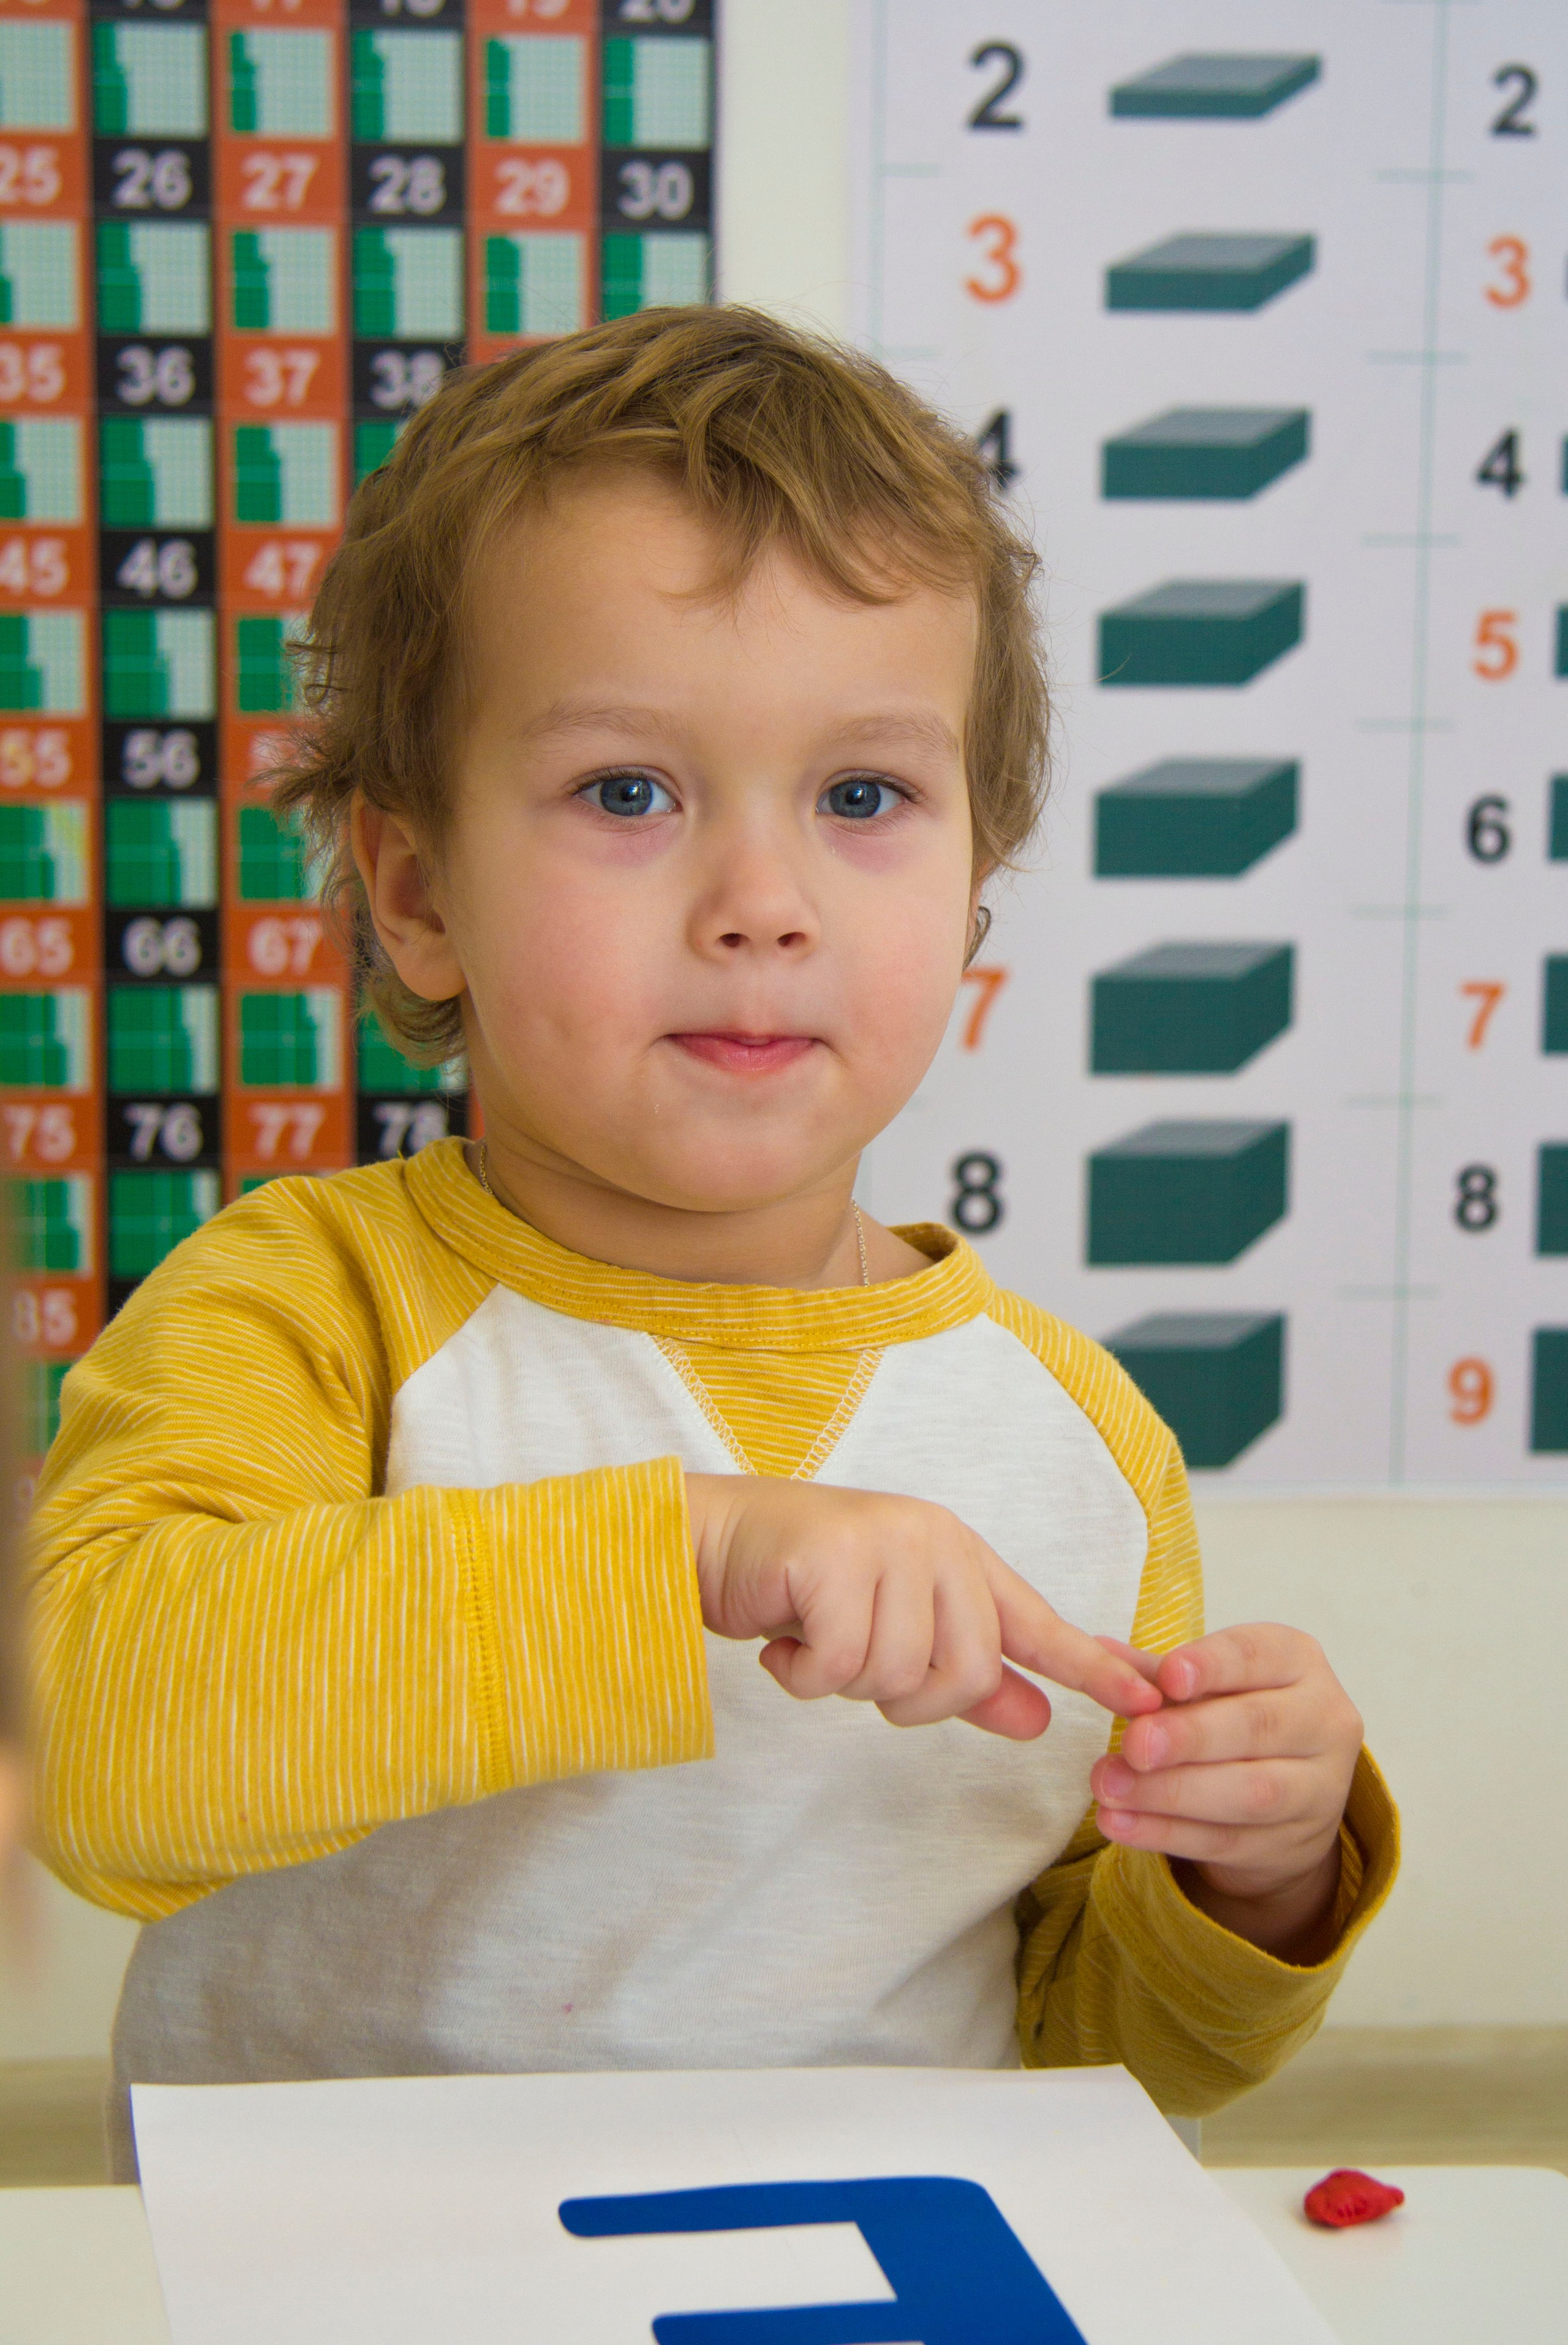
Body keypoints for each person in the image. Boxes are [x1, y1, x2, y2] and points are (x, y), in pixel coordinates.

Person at [25, 309, 1395, 2175]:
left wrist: (1258, 1873)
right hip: (353, 2273)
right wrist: (686, 1544)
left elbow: (1094, 2055)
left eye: (862, 797)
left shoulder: (1079, 1440)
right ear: (419, 892)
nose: (762, 901)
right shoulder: (303, 1305)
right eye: (628, 792)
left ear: (975, 887)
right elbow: (107, 1752)